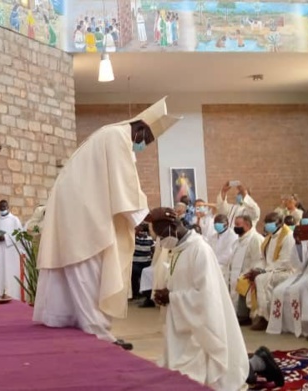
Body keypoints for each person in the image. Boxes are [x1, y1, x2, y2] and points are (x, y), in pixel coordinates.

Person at [34, 97, 179, 349]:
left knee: (82, 266)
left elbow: (120, 184)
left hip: (82, 208)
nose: (144, 145)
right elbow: (125, 185)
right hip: (84, 213)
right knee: (90, 268)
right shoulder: (117, 137)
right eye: (147, 139)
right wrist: (147, 215)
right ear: (141, 127)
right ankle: (98, 332)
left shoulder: (112, 135)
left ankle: (71, 322)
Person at [147, 208, 284, 390]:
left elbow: (206, 295)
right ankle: (259, 361)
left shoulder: (200, 250)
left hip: (200, 328)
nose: (160, 241)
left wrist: (172, 297)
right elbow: (182, 282)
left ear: (173, 226)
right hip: (183, 325)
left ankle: (258, 363)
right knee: (193, 372)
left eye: (161, 235)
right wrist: (167, 293)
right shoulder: (178, 249)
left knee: (213, 375)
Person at [246, 213, 296, 331]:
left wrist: (263, 271)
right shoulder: (269, 237)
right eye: (266, 222)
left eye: (271, 222)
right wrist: (257, 269)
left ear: (280, 223)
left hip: (286, 271)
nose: (268, 225)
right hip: (271, 270)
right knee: (251, 278)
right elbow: (263, 259)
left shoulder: (288, 236)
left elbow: (285, 261)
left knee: (261, 279)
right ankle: (256, 315)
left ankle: (265, 318)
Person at [228, 215, 265, 324]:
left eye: (238, 225)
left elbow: (259, 259)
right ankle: (237, 314)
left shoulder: (255, 239)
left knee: (243, 283)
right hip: (236, 274)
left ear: (247, 225)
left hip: (249, 273)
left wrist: (250, 273)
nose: (235, 227)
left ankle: (245, 316)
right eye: (235, 224)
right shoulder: (237, 241)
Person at [0, 200, 24, 299]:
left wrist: (6, 238)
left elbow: (19, 235)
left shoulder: (14, 220)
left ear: (8, 207)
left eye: (4, 206)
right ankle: (0, 294)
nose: (2, 208)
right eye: (1, 207)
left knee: (11, 274)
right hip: (0, 251)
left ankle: (13, 296)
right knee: (1, 273)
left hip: (11, 252)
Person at [209, 214, 238, 282]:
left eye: (219, 223)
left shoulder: (232, 236)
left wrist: (214, 261)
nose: (216, 225)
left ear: (226, 224)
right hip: (213, 264)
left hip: (224, 268)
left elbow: (228, 254)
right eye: (215, 223)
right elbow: (209, 250)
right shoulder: (213, 236)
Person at [131, 224, 155, 300]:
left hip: (138, 263)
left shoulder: (135, 238)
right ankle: (143, 294)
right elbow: (153, 250)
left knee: (134, 277)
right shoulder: (150, 239)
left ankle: (136, 293)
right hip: (144, 263)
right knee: (143, 277)